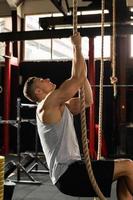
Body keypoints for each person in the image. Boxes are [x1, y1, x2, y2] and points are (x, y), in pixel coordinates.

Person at [23, 32, 133, 200]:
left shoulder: (61, 106)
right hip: (69, 174)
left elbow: (87, 100)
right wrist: (76, 47)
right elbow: (76, 78)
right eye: (42, 80)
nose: (46, 78)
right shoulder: (47, 104)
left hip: (73, 171)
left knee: (125, 172)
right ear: (38, 91)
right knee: (129, 166)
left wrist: (82, 74)